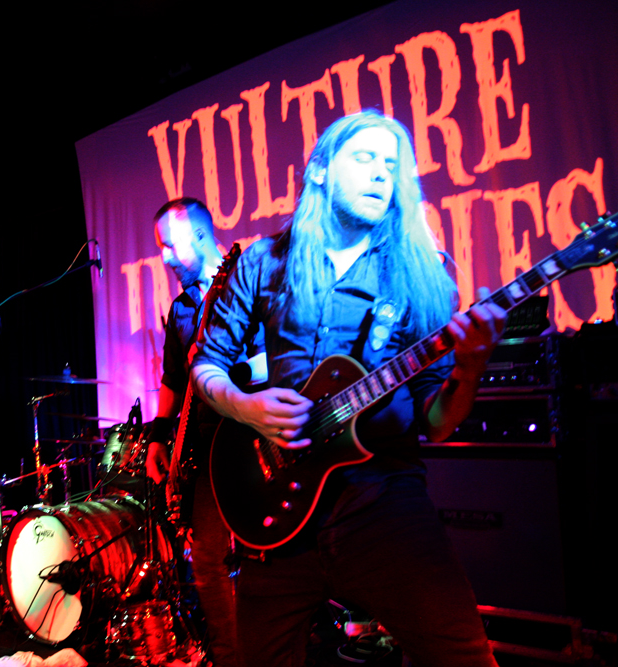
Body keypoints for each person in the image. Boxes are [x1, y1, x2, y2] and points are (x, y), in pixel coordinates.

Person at [191, 111, 506, 666]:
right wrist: (244, 407)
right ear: (319, 170)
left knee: (463, 656)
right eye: (364, 158)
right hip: (277, 512)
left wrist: (470, 368)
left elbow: (436, 423)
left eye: (391, 164)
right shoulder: (264, 261)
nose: (382, 172)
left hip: (383, 503)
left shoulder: (422, 275)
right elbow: (207, 363)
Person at [144, 198, 263, 667]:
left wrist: (227, 369)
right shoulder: (181, 308)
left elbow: (276, 358)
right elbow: (173, 380)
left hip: (254, 441)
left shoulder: (248, 282)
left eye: (170, 246)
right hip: (205, 450)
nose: (165, 257)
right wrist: (158, 438)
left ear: (199, 235)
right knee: (208, 561)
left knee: (262, 557)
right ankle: (230, 657)